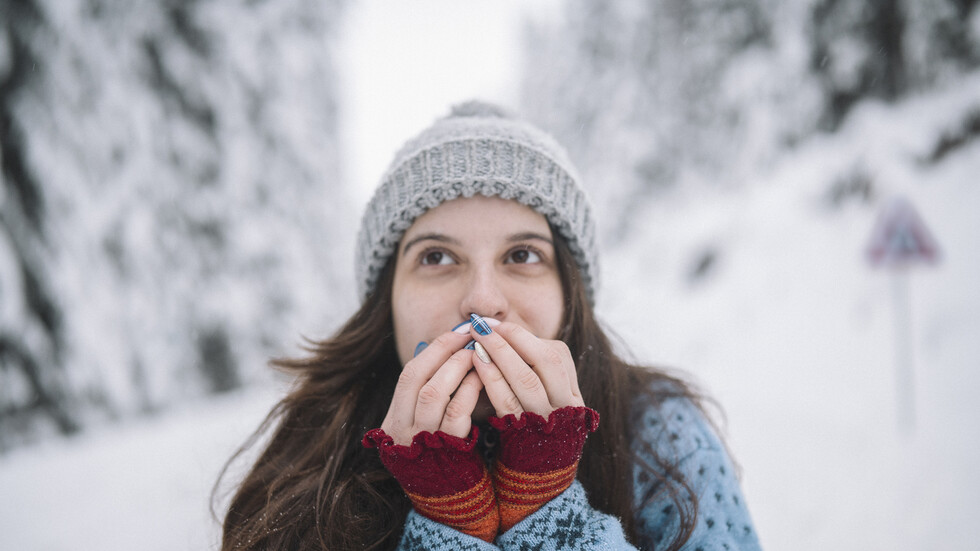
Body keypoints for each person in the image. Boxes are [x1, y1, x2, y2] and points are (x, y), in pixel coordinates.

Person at [218, 101, 762, 550]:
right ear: (387, 302)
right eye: (436, 257)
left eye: (522, 255)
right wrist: (446, 517)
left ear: (569, 293)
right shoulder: (314, 456)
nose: (482, 301)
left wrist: (550, 519)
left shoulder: (664, 434)